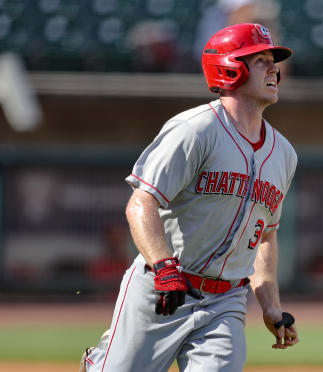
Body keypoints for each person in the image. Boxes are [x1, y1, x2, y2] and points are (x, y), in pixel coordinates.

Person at [80, 23, 299, 372]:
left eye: (273, 60)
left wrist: (270, 305)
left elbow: (265, 235)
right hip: (163, 288)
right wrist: (163, 265)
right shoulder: (195, 130)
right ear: (231, 67)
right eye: (260, 60)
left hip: (226, 299)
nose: (274, 68)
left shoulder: (284, 154)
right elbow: (142, 202)